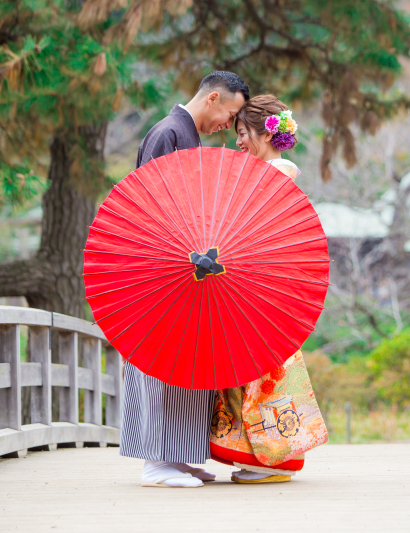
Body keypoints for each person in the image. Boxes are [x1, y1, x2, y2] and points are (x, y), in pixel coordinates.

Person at [121, 70, 250, 489]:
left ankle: (178, 456)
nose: (227, 126)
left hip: (190, 269)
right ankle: (155, 462)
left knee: (190, 364)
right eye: (229, 115)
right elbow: (152, 207)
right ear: (213, 98)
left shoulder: (186, 136)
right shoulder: (168, 134)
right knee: (164, 365)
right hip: (163, 271)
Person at [208, 95, 328, 484]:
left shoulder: (275, 174)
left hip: (259, 291)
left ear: (266, 134)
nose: (239, 141)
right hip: (259, 288)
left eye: (244, 133)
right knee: (255, 371)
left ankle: (270, 461)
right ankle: (260, 458)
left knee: (261, 373)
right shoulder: (269, 173)